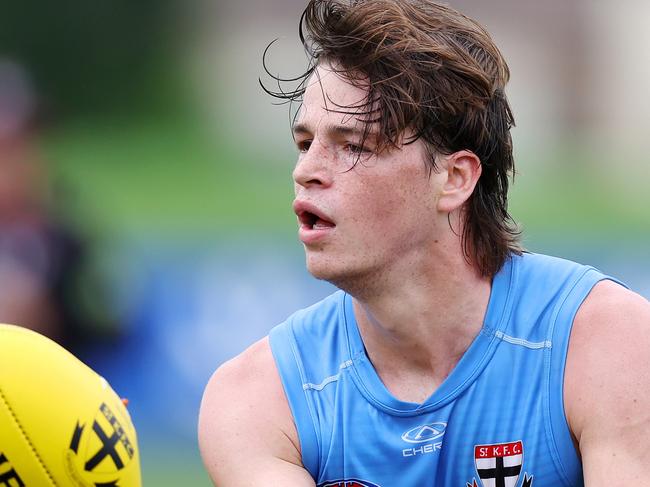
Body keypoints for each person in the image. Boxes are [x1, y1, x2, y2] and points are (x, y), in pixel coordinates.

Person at [198, 1, 650, 485]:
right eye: (306, 143)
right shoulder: (256, 398)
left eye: (353, 146)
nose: (305, 171)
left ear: (454, 178)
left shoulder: (608, 343)